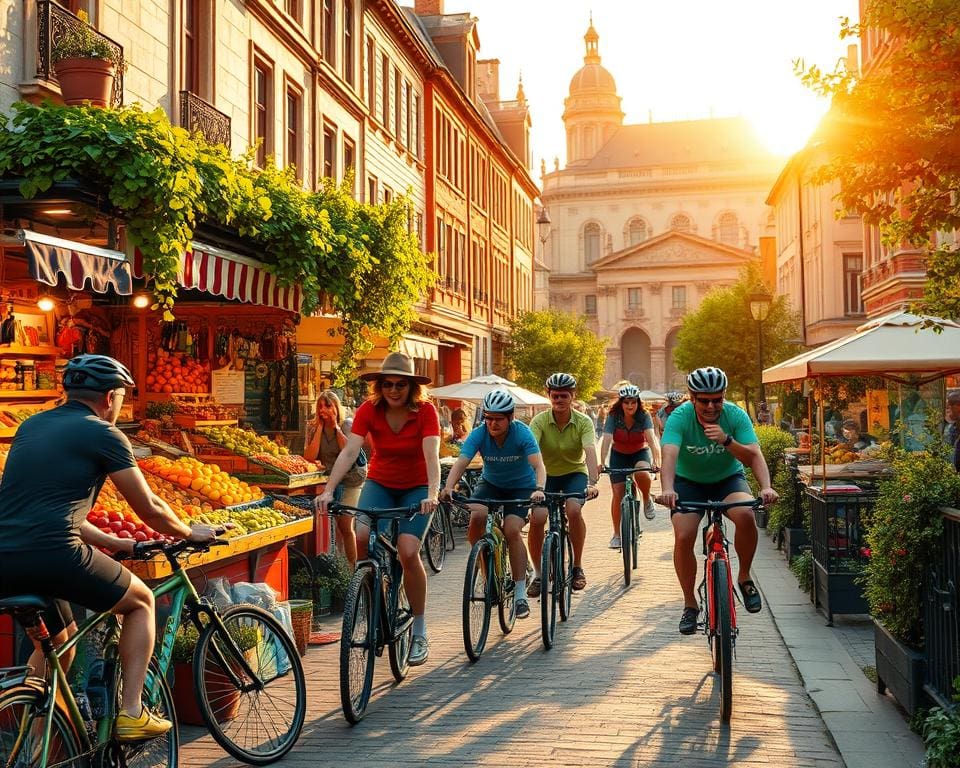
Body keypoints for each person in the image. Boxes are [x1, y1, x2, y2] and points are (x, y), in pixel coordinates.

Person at [0, 354, 220, 740]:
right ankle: (133, 711)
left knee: (60, 645)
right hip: (55, 554)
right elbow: (148, 506)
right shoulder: (103, 432)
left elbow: (48, 509)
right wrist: (188, 533)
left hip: (6, 556)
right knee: (140, 602)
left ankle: (33, 744)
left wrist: (111, 541)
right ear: (110, 397)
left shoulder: (31, 427)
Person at [315, 352, 440, 665]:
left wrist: (433, 493)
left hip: (418, 488)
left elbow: (431, 456)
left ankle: (420, 631)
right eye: (387, 384)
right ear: (379, 386)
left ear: (412, 386)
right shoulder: (368, 410)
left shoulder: (425, 411)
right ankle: (374, 597)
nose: (394, 390)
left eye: (400, 384)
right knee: (361, 535)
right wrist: (329, 490)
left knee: (408, 551)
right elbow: (349, 453)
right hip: (381, 484)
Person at [656, 366, 779, 635]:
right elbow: (668, 456)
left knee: (745, 516)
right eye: (704, 400)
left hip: (726, 479)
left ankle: (744, 576)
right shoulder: (680, 418)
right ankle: (690, 604)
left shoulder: (735, 415)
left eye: (717, 399)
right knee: (685, 534)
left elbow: (753, 457)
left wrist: (727, 442)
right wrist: (668, 489)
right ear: (692, 398)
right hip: (688, 483)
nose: (711, 406)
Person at [440, 389, 546, 619]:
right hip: (491, 484)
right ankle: (490, 579)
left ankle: (519, 594)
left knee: (511, 530)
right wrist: (448, 487)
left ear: (510, 418)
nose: (492, 423)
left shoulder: (522, 433)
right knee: (476, 519)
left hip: (521, 487)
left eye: (498, 418)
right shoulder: (479, 434)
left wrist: (539, 489)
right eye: (488, 417)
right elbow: (461, 462)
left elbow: (538, 465)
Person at [527, 372, 600, 595]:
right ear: (549, 396)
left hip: (573, 474)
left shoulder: (583, 421)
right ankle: (539, 574)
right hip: (546, 476)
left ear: (572, 396)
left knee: (574, 510)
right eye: (555, 396)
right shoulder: (539, 421)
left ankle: (577, 566)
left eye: (564, 396)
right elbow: (530, 451)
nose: (559, 400)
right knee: (538, 518)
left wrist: (592, 481)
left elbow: (589, 450)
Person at [303, 390, 366, 567]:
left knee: (345, 525)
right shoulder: (314, 428)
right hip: (330, 483)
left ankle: (353, 568)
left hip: (351, 480)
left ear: (336, 407)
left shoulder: (347, 425)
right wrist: (321, 428)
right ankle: (340, 565)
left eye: (328, 406)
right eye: (320, 406)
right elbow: (309, 456)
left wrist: (335, 428)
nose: (323, 410)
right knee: (335, 528)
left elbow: (350, 453)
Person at [598, 384, 662, 548]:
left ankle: (647, 498)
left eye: (633, 402)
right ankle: (616, 534)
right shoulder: (614, 416)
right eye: (626, 402)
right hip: (618, 455)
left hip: (639, 453)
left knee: (642, 473)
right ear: (621, 403)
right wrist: (602, 461)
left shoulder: (644, 415)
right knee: (618, 494)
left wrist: (656, 460)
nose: (630, 406)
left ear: (638, 402)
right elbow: (606, 440)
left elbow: (652, 439)